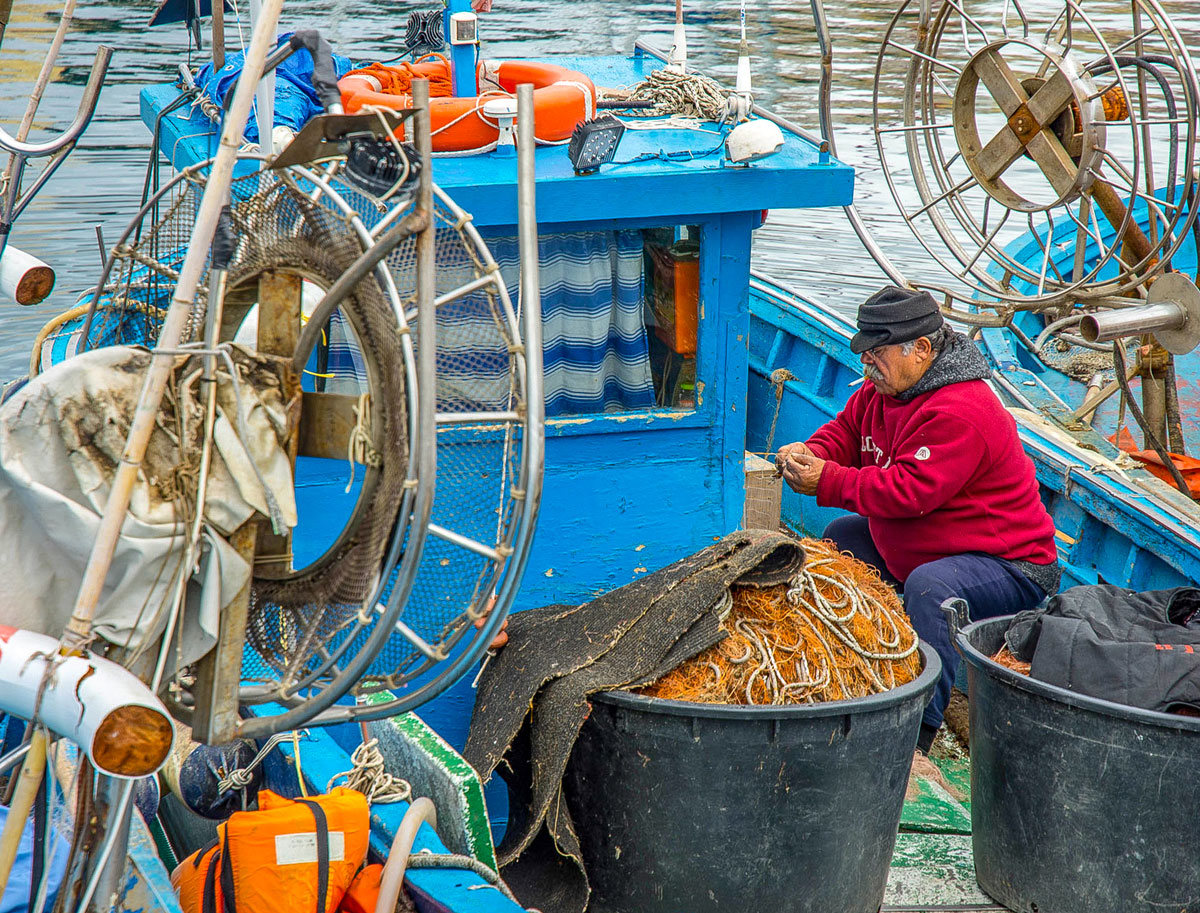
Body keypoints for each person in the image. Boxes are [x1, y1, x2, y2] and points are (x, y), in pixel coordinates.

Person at [775, 285, 1060, 754]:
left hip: (1009, 565)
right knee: (842, 538)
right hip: (930, 544)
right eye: (867, 352)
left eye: (878, 353)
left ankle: (916, 734)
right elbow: (847, 431)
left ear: (922, 350)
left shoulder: (964, 410)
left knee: (931, 588)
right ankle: (860, 669)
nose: (868, 364)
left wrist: (826, 481)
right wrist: (814, 453)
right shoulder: (884, 389)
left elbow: (910, 492)